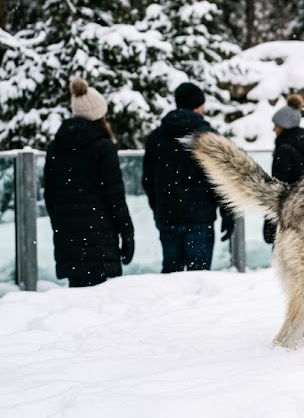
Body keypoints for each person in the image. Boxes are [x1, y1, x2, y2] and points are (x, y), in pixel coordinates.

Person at [44, 78, 134, 287]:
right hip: (99, 236)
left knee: (77, 301)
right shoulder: (103, 148)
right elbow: (115, 197)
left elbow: (50, 195)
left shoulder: (56, 147)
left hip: (68, 235)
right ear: (99, 113)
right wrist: (127, 234)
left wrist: (61, 225)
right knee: (98, 303)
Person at [142, 82, 234, 273]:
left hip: (168, 217)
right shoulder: (208, 137)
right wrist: (227, 214)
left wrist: (158, 207)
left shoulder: (157, 137)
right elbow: (221, 181)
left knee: (171, 274)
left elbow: (148, 180)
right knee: (198, 277)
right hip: (200, 218)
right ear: (198, 106)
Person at [263, 94, 304, 244]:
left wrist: (269, 225)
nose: (274, 129)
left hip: (287, 215)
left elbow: (278, 187)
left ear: (285, 125)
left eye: (276, 125)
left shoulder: (284, 150)